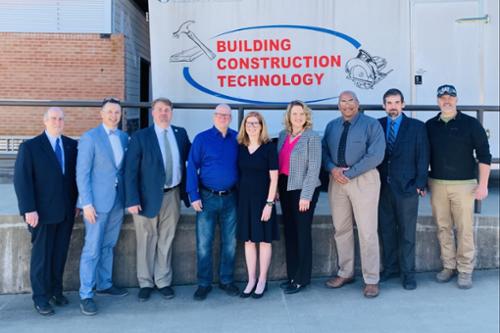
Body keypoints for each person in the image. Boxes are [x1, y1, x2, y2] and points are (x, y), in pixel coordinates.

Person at [13, 107, 78, 316]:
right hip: (41, 213)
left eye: (61, 119)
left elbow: (74, 179)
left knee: (59, 255)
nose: (58, 122)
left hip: (66, 212)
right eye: (53, 119)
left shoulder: (71, 145)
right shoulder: (30, 147)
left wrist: (77, 203)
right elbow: (22, 181)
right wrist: (28, 209)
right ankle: (40, 297)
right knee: (42, 257)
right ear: (45, 121)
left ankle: (56, 291)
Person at [125, 98, 191, 301]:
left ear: (171, 113)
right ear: (153, 113)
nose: (164, 113)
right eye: (160, 110)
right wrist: (132, 199)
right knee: (145, 240)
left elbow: (191, 160)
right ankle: (145, 282)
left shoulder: (180, 134)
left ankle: (163, 281)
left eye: (167, 110)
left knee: (166, 239)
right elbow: (130, 171)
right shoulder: (141, 136)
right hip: (146, 197)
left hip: (172, 195)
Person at [426, 84, 491, 289]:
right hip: (437, 183)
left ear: (456, 99)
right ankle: (448, 266)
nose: (446, 101)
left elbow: (484, 155)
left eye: (450, 97)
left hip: (464, 186)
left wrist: (483, 185)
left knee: (464, 229)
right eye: (442, 97)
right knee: (443, 227)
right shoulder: (430, 125)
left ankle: (465, 270)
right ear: (437, 100)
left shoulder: (471, 124)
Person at [322, 91, 385, 298]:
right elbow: (324, 152)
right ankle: (345, 272)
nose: (347, 105)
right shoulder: (332, 126)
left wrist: (351, 172)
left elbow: (376, 155)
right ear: (338, 105)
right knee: (341, 228)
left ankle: (371, 279)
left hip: (363, 179)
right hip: (337, 180)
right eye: (343, 101)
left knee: (367, 231)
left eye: (351, 101)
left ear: (358, 104)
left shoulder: (371, 124)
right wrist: (332, 169)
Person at [76, 97, 129, 316]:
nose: (113, 115)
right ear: (101, 113)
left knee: (109, 244)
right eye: (109, 112)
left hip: (117, 201)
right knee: (92, 248)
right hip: (96, 203)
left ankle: (104, 283)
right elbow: (82, 173)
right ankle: (86, 294)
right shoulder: (90, 137)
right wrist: (86, 203)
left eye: (117, 112)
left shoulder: (125, 137)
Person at [377, 89, 429, 290]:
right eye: (389, 103)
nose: (393, 106)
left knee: (407, 233)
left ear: (403, 104)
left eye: (396, 102)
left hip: (407, 188)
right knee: (386, 230)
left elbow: (423, 156)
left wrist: (420, 183)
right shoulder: (378, 125)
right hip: (382, 187)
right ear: (384, 105)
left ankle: (408, 274)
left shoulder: (416, 127)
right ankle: (390, 268)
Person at [186, 104, 240, 301]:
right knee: (204, 244)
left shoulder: (237, 138)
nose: (223, 118)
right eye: (219, 115)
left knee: (230, 243)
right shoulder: (202, 139)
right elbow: (192, 166)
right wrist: (193, 195)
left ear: (231, 118)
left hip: (231, 198)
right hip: (207, 198)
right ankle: (204, 283)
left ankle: (226, 280)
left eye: (226, 115)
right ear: (213, 116)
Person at [277, 101, 321, 294]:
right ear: (289, 116)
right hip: (286, 189)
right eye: (294, 113)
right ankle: (292, 275)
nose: (298, 117)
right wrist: (277, 189)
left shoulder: (312, 137)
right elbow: (279, 165)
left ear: (306, 116)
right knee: (290, 233)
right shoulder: (282, 136)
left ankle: (302, 279)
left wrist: (306, 195)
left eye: (301, 113)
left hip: (303, 190)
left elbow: (314, 168)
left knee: (302, 234)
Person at [237, 112, 279, 299]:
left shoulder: (269, 147)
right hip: (244, 201)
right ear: (244, 126)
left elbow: (274, 177)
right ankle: (251, 279)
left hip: (263, 200)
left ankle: (262, 280)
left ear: (262, 126)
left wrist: (269, 204)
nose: (252, 126)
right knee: (248, 241)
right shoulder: (240, 147)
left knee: (263, 240)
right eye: (248, 123)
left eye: (255, 123)